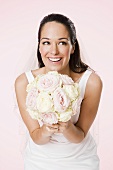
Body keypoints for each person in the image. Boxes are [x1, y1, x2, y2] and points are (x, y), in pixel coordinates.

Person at [15, 13, 103, 170]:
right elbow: (36, 136)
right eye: (46, 42)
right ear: (39, 46)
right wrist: (46, 129)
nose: (54, 51)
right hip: (40, 160)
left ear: (73, 47)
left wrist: (67, 127)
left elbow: (80, 136)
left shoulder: (91, 82)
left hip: (80, 160)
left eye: (62, 43)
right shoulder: (24, 82)